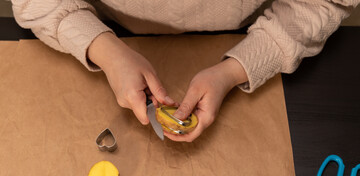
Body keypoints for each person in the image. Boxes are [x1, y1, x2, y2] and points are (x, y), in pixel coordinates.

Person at [12, 0, 359, 142]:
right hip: (107, 27)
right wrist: (105, 49)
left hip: (244, 35)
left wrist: (238, 68)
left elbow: (324, 2)